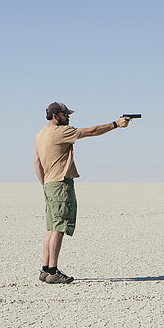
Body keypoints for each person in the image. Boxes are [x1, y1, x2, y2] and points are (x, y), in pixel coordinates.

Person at [34, 102, 131, 284]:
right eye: (64, 114)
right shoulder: (62, 132)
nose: (68, 117)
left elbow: (37, 162)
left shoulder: (40, 134)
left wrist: (45, 184)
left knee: (51, 228)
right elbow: (91, 131)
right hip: (60, 183)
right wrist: (115, 124)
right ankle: (53, 271)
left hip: (49, 184)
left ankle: (46, 269)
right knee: (59, 228)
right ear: (55, 116)